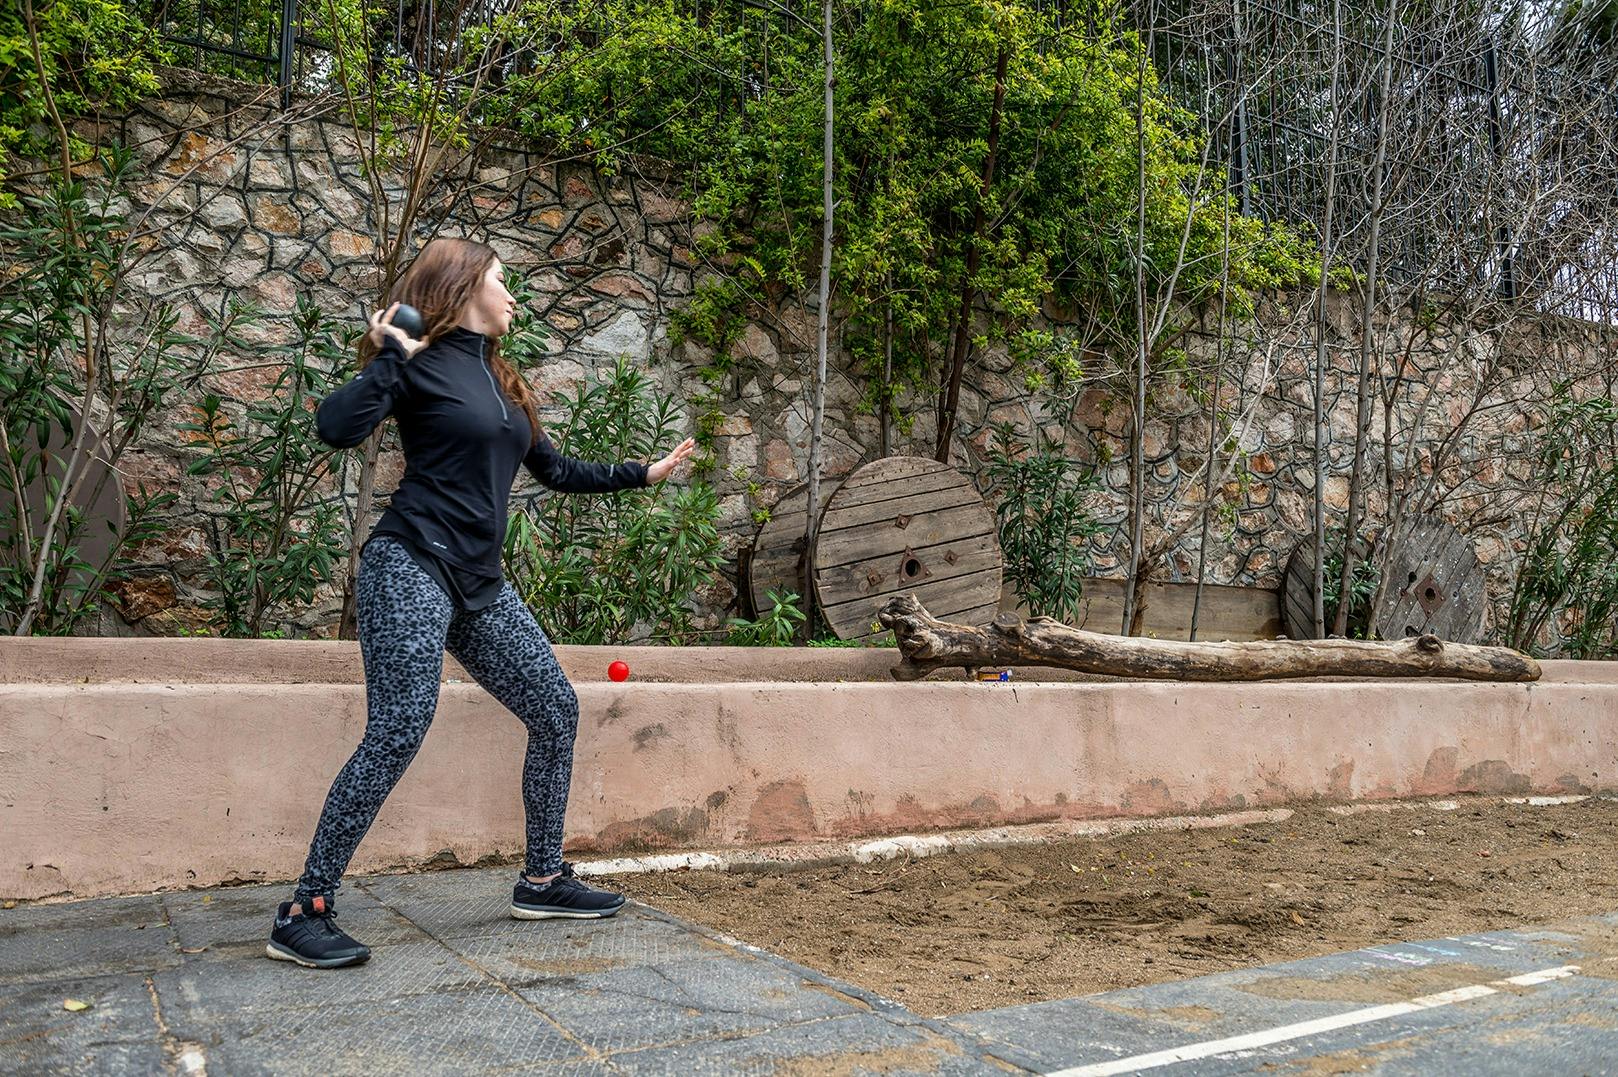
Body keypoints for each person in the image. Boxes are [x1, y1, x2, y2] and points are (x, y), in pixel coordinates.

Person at [266, 237, 695, 969]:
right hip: (410, 564)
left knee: (555, 708)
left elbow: (554, 468)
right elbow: (335, 427)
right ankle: (304, 907)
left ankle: (543, 877)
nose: (514, 297)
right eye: (504, 283)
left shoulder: (500, 380)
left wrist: (640, 473)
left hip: (478, 582)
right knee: (401, 724)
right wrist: (390, 350)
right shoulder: (417, 362)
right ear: (465, 287)